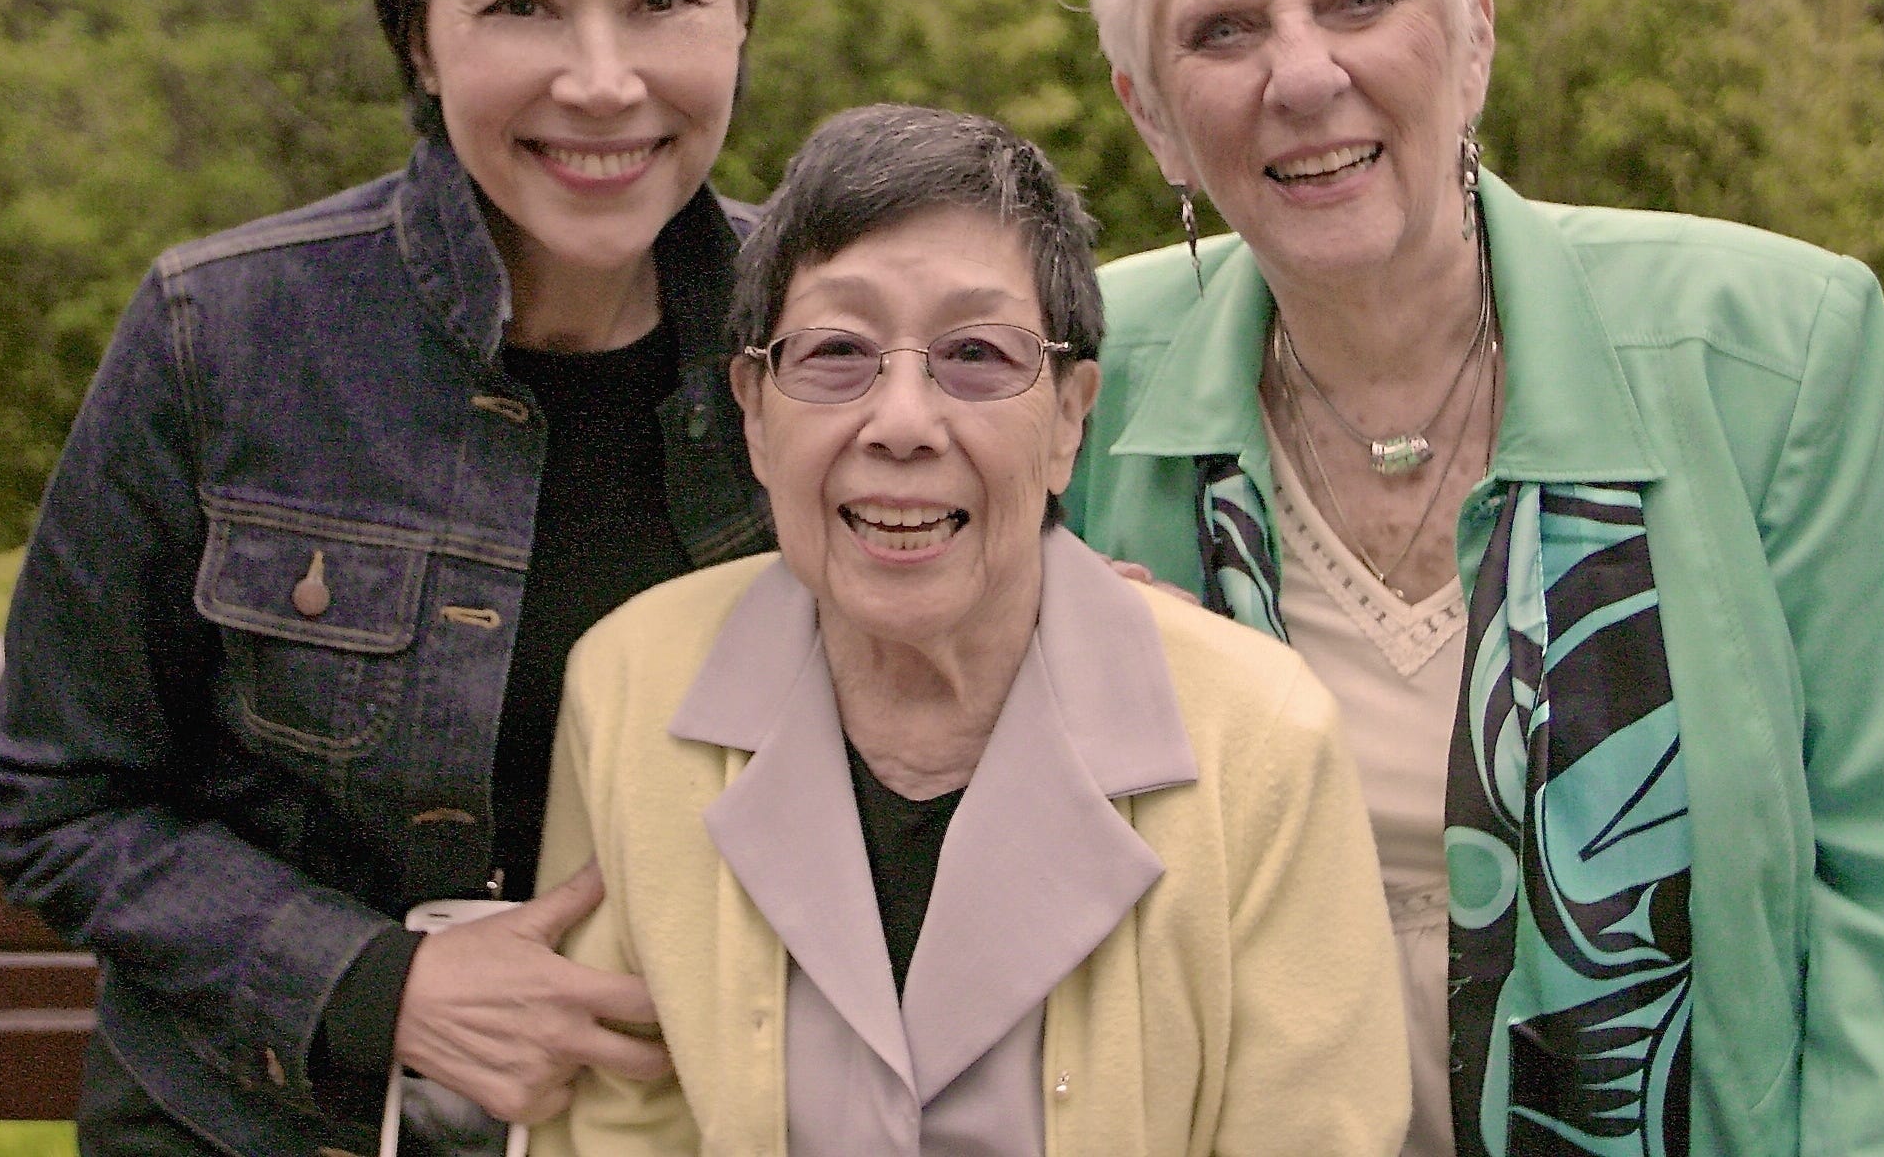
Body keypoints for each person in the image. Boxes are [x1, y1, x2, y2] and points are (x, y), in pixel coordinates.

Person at [1064, 0, 1884, 1157]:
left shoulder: (1770, 351)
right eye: (1222, 31)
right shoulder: (1063, 373)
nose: (1302, 73)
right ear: (1149, 109)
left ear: (1469, 40)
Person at [0, 0, 789, 1156]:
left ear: (740, 15)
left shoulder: (837, 340)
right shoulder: (222, 334)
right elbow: (55, 796)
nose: (601, 81)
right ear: (418, 32)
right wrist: (374, 985)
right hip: (258, 1124)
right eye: (521, 7)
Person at [529, 103, 1409, 1156]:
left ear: (1071, 418)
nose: (901, 422)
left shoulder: (1262, 740)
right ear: (756, 415)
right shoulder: (631, 684)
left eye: (977, 356)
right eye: (836, 352)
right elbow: (616, 1125)